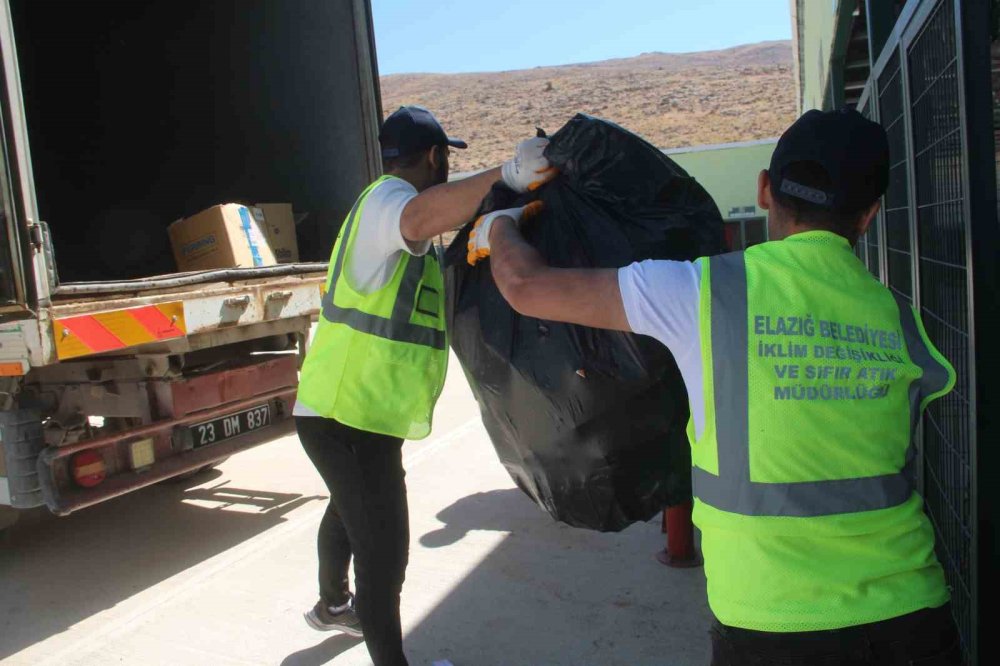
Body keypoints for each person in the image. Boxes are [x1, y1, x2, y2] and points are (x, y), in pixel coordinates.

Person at [467, 109, 963, 665]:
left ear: (764, 190)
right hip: (917, 618)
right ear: (869, 216)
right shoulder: (897, 317)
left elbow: (527, 286)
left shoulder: (705, 291)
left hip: (773, 624)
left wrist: (499, 225)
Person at [293, 105, 552, 666]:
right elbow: (418, 217)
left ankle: (331, 606)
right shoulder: (387, 203)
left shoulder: (390, 216)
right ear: (435, 157)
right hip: (346, 416)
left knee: (350, 507)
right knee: (383, 553)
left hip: (354, 413)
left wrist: (494, 218)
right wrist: (506, 173)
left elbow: (432, 230)